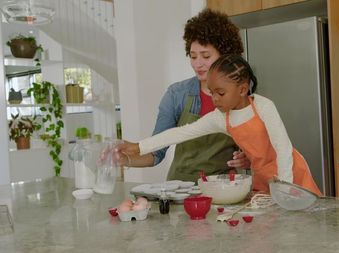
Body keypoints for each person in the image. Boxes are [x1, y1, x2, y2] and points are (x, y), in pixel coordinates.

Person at [116, 54, 322, 196]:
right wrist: (138, 147)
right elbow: (181, 133)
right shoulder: (220, 118)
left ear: (242, 90)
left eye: (220, 93)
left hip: (291, 175)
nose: (214, 98)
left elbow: (283, 148)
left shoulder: (263, 106)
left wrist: (284, 188)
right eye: (212, 92)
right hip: (262, 178)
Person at [117, 9, 249, 182]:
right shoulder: (177, 94)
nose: (198, 64)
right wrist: (124, 158)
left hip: (223, 189)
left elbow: (254, 150)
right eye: (193, 56)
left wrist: (247, 160)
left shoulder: (239, 96)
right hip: (180, 190)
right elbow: (156, 154)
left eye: (206, 56)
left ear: (225, 57)